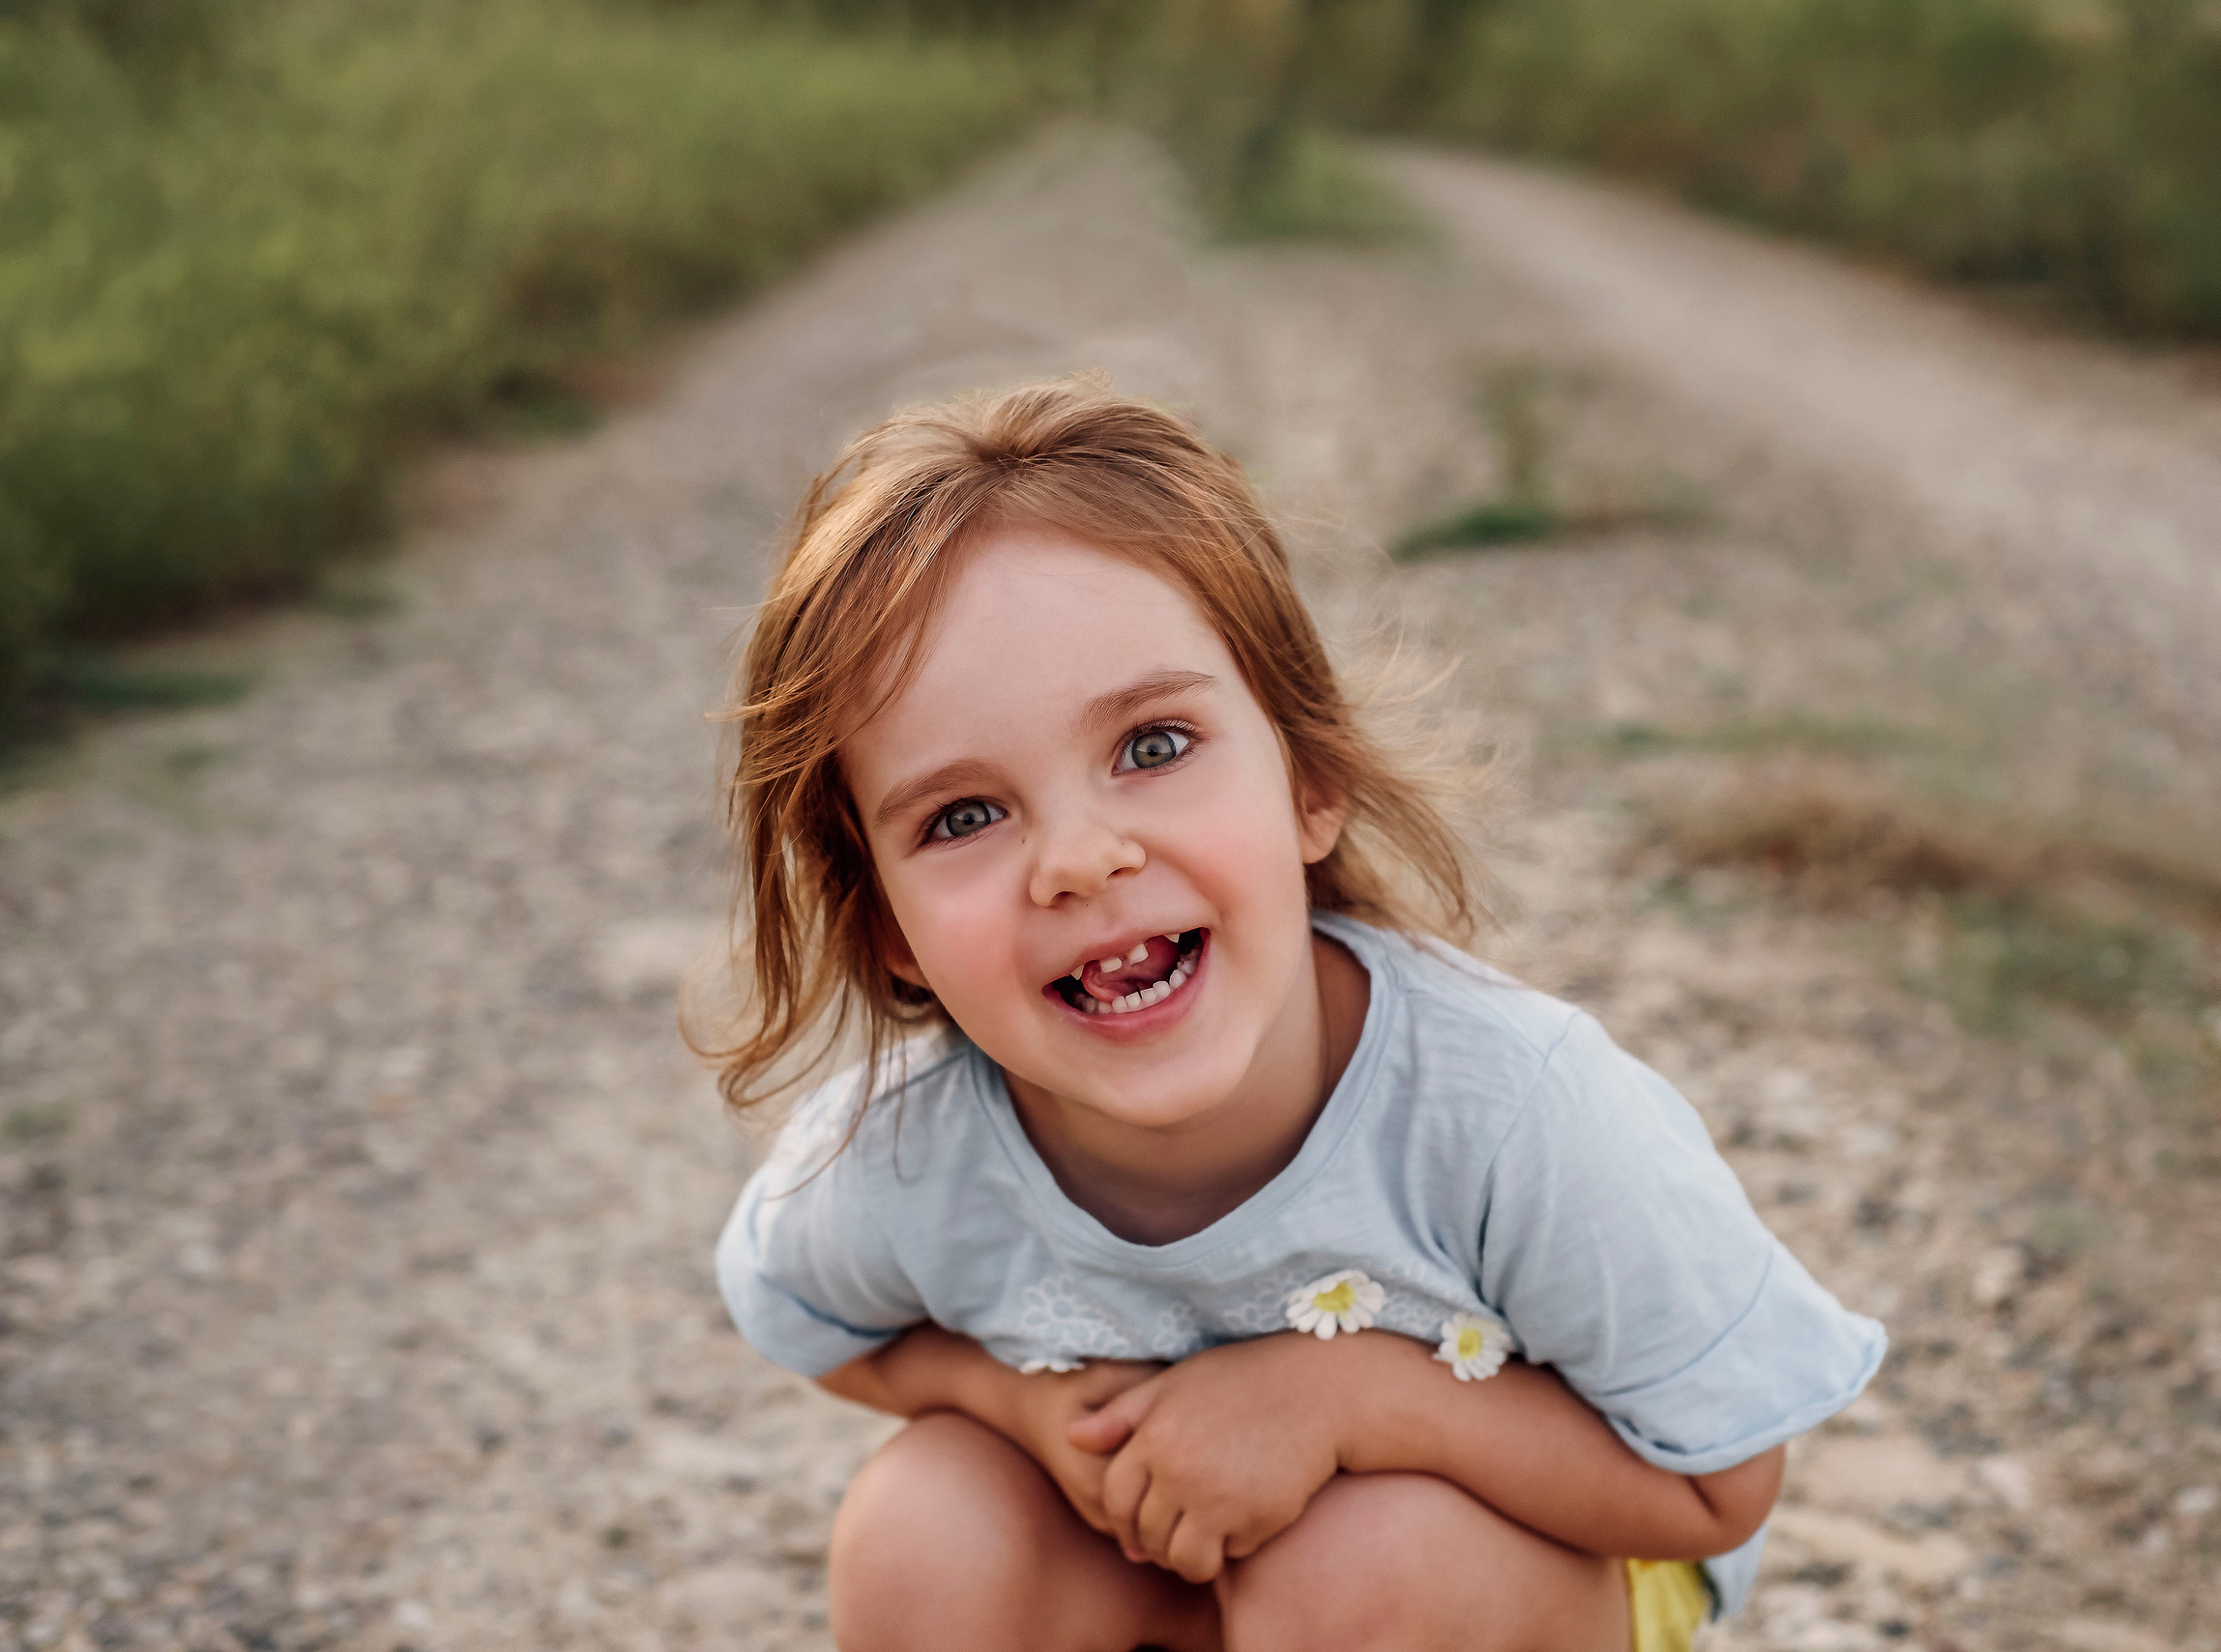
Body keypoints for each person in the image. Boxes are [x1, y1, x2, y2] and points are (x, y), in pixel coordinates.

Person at [702, 379, 1884, 1652]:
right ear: (890, 928)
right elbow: (805, 1317)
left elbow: (1718, 1486)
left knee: (1365, 1567)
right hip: (1174, 1572)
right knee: (924, 1525)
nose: (1079, 858)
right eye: (963, 816)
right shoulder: (905, 1151)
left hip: (1501, 1591)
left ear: (1309, 780)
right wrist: (1012, 1400)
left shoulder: (1511, 1113)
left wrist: (1358, 1398)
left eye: (1152, 744)